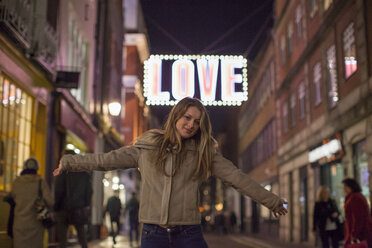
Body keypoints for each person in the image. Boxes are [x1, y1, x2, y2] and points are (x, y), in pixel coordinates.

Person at [53, 97, 288, 248]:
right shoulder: (147, 147)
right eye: (187, 117)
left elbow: (237, 178)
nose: (191, 125)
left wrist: (272, 201)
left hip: (188, 234)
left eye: (196, 122)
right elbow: (106, 160)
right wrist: (70, 162)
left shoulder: (203, 152)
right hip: (153, 234)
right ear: (176, 116)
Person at [10, 157, 54, 248]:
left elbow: (11, 198)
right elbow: (50, 201)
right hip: (35, 225)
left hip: (19, 224)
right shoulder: (40, 182)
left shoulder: (16, 182)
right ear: (37, 168)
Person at [54, 150, 92, 248]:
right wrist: (85, 205)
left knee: (63, 238)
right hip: (78, 208)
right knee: (81, 236)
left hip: (63, 208)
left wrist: (55, 206)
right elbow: (89, 191)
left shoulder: (62, 171)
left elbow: (58, 190)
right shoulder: (83, 173)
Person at [342, 178, 372, 248]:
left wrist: (354, 234)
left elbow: (358, 218)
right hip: (360, 232)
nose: (344, 190)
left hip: (360, 234)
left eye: (345, 187)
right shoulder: (356, 196)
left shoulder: (355, 198)